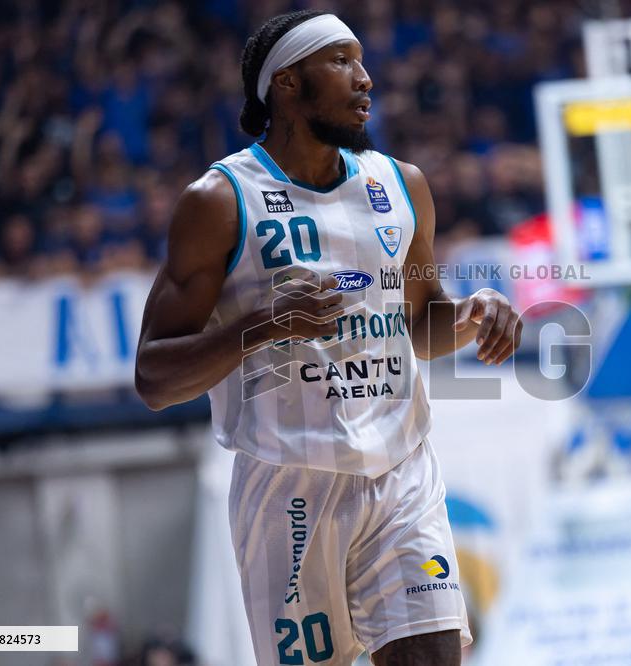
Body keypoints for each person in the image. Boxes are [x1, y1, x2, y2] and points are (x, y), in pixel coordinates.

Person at [134, 10, 522, 666]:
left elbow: (421, 326)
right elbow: (153, 378)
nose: (366, 79)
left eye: (362, 60)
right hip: (288, 489)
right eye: (342, 61)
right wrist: (267, 325)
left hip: (401, 473)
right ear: (286, 83)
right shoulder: (220, 199)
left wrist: (472, 315)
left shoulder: (401, 185)